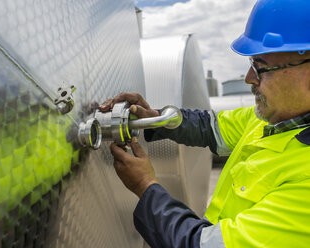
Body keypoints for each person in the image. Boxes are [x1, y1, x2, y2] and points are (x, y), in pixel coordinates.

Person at [99, 0, 310, 247]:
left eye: (260, 67)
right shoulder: (273, 120)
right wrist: (154, 118)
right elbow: (208, 127)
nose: (249, 78)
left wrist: (146, 187)